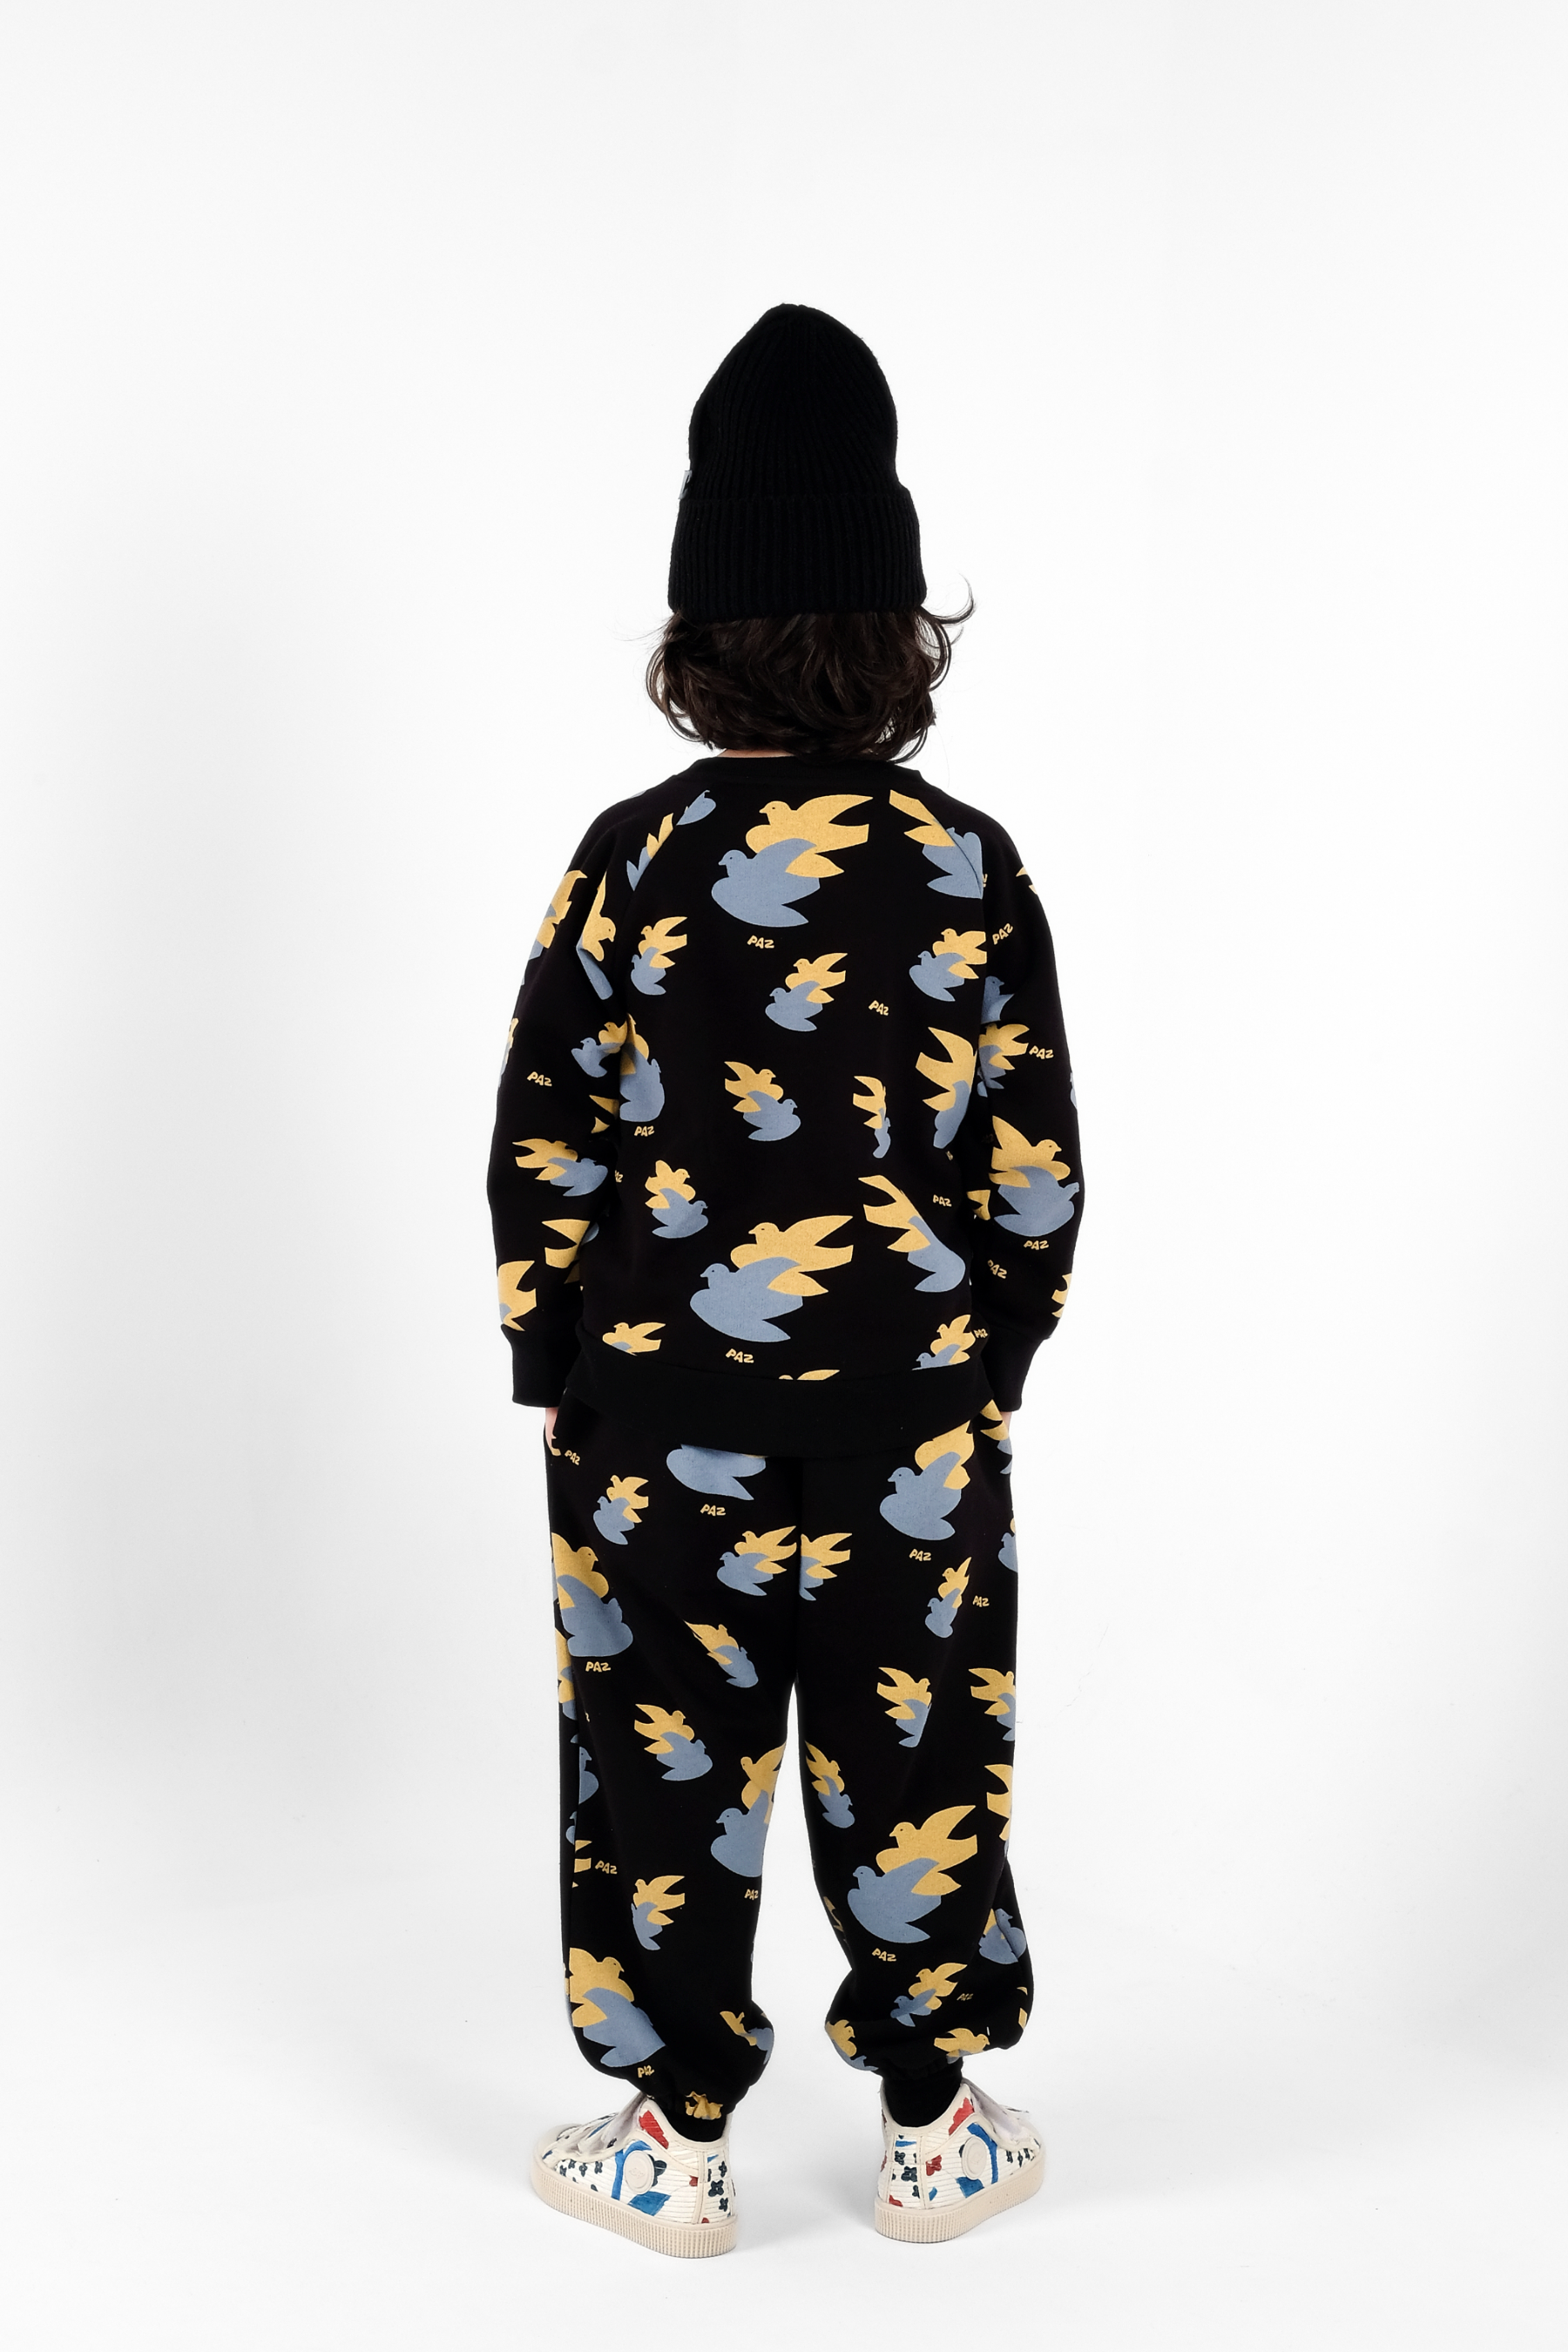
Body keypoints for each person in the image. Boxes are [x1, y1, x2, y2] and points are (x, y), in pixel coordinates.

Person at [488, 305, 1082, 2254]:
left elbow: (546, 1135)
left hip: (657, 1425)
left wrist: (559, 1360)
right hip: (914, 1418)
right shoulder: (970, 865)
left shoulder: (631, 860)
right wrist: (982, 1358)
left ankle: (672, 2134)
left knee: (658, 1757)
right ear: (905, 633)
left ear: (695, 635)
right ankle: (934, 2122)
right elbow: (1033, 1167)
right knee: (922, 1747)